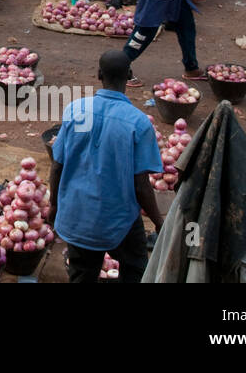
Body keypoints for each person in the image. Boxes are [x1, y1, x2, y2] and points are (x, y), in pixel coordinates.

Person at [49, 50, 165, 283]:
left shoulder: (76, 111)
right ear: (130, 75)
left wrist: (54, 205)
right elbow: (141, 186)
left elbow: (57, 165)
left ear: (99, 74)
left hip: (78, 215)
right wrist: (159, 221)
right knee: (135, 268)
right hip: (118, 220)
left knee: (82, 275)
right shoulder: (138, 123)